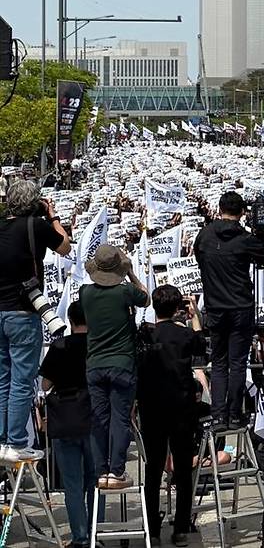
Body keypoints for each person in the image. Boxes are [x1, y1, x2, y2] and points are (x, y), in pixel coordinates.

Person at [194, 191, 264, 427]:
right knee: (238, 363)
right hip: (240, 308)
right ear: (243, 212)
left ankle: (218, 415)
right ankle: (234, 413)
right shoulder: (245, 239)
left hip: (215, 308)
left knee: (220, 363)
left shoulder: (204, 236)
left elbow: (199, 260)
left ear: (219, 209)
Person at [0, 179, 71, 462]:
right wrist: (52, 215)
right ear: (35, 203)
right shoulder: (36, 226)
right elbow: (65, 247)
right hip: (23, 311)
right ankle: (16, 441)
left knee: (2, 379)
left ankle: (3, 439)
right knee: (21, 379)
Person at [137, 285, 207, 547]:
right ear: (179, 308)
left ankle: (152, 529)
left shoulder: (145, 335)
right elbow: (202, 346)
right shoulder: (185, 334)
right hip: (181, 408)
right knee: (182, 470)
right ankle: (180, 528)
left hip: (152, 408)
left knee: (153, 470)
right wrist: (195, 315)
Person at [80, 245, 150, 489]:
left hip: (95, 364)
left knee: (99, 419)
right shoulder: (125, 293)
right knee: (120, 419)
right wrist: (130, 272)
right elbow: (146, 296)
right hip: (122, 363)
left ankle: (101, 472)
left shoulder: (84, 293)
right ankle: (117, 471)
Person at [40, 301, 95, 548]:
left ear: (70, 321)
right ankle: (97, 532)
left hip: (65, 419)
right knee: (95, 480)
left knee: (72, 484)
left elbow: (45, 386)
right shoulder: (98, 346)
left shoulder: (59, 346)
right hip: (93, 417)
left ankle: (80, 537)